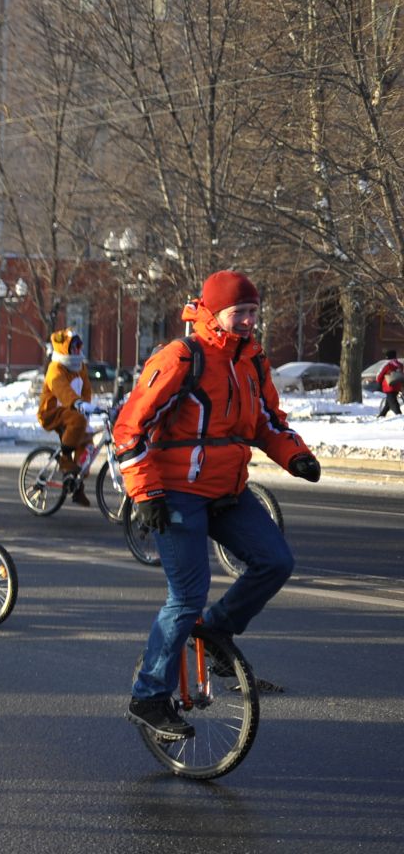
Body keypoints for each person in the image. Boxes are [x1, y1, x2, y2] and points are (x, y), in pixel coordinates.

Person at [115, 270, 321, 739]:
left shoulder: (252, 360)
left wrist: (296, 456)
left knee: (276, 560)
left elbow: (268, 421)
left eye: (253, 311)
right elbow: (130, 428)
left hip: (227, 491)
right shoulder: (181, 357)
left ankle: (216, 632)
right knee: (186, 594)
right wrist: (145, 492)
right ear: (213, 312)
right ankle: (149, 697)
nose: (248, 320)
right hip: (175, 493)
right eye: (239, 312)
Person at [38, 328, 95, 503]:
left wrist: (87, 406)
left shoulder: (80, 367)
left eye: (79, 345)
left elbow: (86, 391)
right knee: (77, 420)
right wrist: (77, 404)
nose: (78, 350)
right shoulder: (55, 368)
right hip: (53, 412)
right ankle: (64, 460)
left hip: (71, 411)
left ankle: (76, 486)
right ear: (66, 348)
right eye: (74, 346)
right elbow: (62, 389)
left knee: (86, 445)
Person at [375, 349, 403, 419]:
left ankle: (399, 416)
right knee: (388, 404)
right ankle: (381, 416)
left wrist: (378, 382)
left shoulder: (387, 365)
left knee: (393, 402)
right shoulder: (400, 365)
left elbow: (380, 375)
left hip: (389, 386)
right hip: (397, 386)